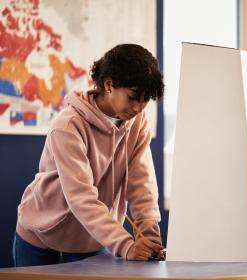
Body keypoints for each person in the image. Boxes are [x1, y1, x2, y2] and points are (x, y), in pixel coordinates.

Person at [13, 44, 165, 267]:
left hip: (93, 237)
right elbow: (82, 197)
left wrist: (149, 237)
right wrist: (126, 245)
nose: (138, 108)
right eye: (133, 97)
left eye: (145, 100)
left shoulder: (138, 123)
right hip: (41, 235)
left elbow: (142, 185)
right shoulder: (68, 125)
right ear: (109, 84)